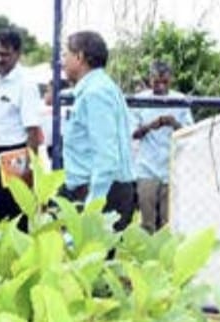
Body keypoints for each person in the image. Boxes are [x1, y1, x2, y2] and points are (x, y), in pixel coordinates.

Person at [60, 30, 136, 231]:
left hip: (99, 194)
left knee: (87, 259)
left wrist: (92, 209)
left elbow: (106, 156)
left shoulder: (96, 93)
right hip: (98, 190)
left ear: (80, 57)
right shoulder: (100, 88)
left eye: (65, 54)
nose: (62, 61)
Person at [0, 29, 44, 220]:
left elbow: (32, 131)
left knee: (12, 213)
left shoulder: (25, 84)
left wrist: (30, 169)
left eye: (5, 54)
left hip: (14, 158)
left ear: (17, 54)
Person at [131, 61, 194, 232]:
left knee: (168, 223)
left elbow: (189, 132)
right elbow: (133, 133)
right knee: (147, 222)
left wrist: (173, 123)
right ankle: (146, 258)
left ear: (170, 79)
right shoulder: (140, 100)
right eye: (156, 81)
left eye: (164, 82)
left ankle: (166, 258)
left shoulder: (179, 100)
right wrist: (151, 125)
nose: (160, 86)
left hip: (171, 167)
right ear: (150, 79)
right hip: (146, 168)